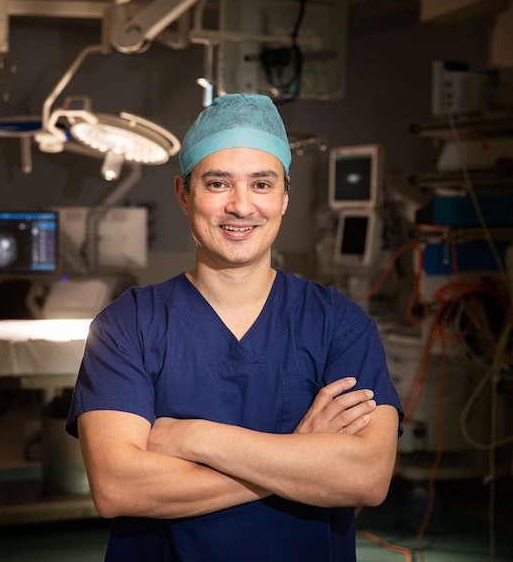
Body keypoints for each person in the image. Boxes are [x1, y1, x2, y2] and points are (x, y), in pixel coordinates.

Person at [65, 93, 403, 561]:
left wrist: (193, 438)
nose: (241, 207)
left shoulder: (338, 324)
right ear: (184, 193)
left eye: (262, 185)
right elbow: (118, 488)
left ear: (285, 195)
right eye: (218, 183)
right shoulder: (128, 326)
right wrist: (299, 458)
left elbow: (366, 477)